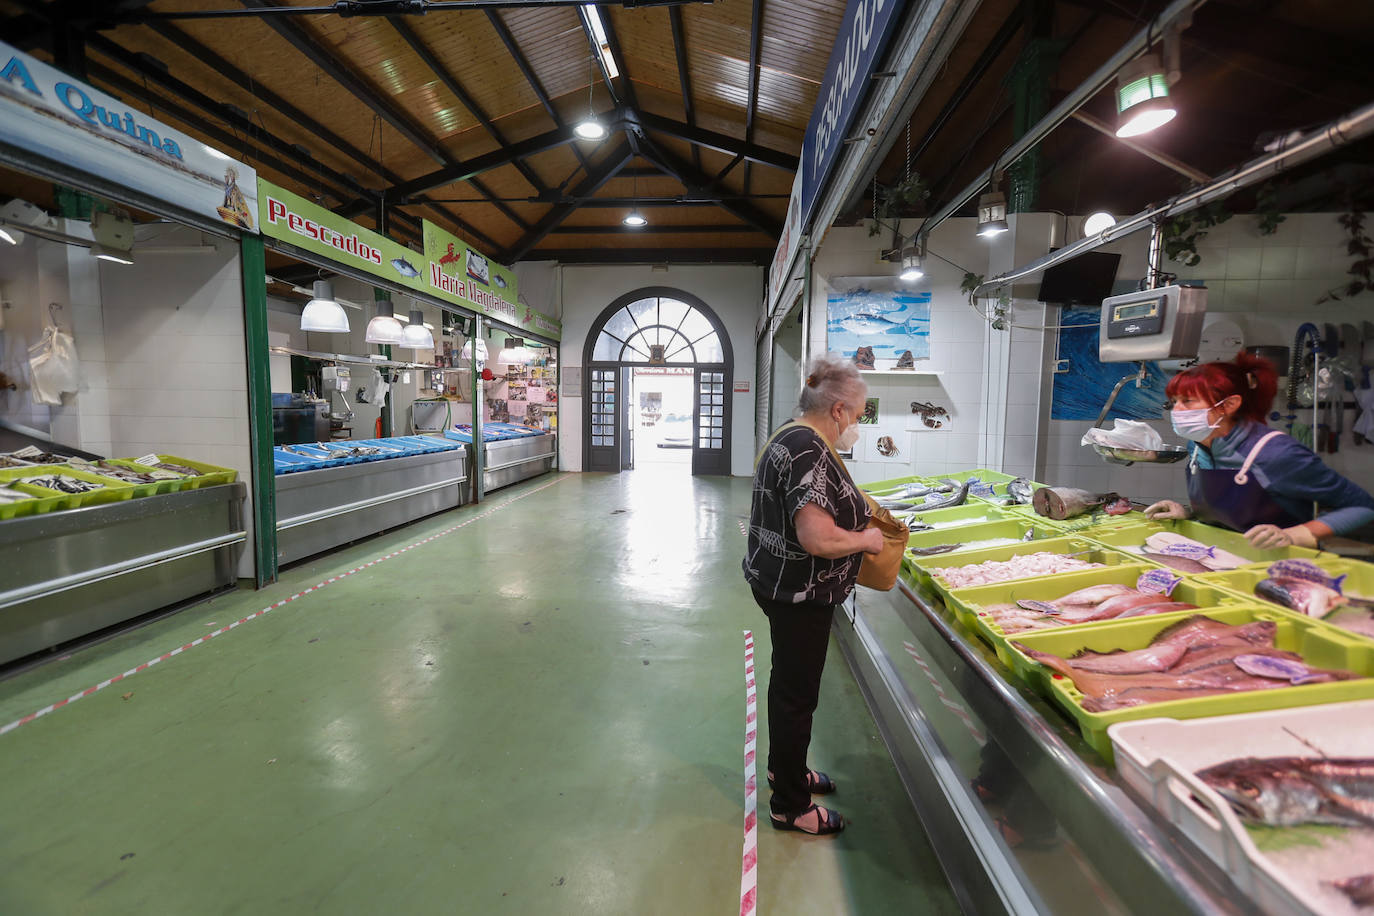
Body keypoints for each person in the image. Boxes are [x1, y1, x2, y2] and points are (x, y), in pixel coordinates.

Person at [742, 355, 883, 836]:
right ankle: (790, 806)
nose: (857, 426)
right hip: (799, 594)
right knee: (796, 697)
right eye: (859, 416)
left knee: (788, 687)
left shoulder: (790, 434)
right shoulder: (809, 449)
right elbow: (817, 538)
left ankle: (787, 772)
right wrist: (866, 540)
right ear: (839, 410)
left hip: (777, 583)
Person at [1144, 351, 1374, 546]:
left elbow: (1363, 506)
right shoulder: (1196, 447)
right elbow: (1230, 508)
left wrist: (1295, 535)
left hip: (1281, 566)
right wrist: (1189, 513)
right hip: (1225, 558)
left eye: (1188, 401)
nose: (1177, 411)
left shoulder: (1276, 453)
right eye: (1174, 402)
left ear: (1230, 405)